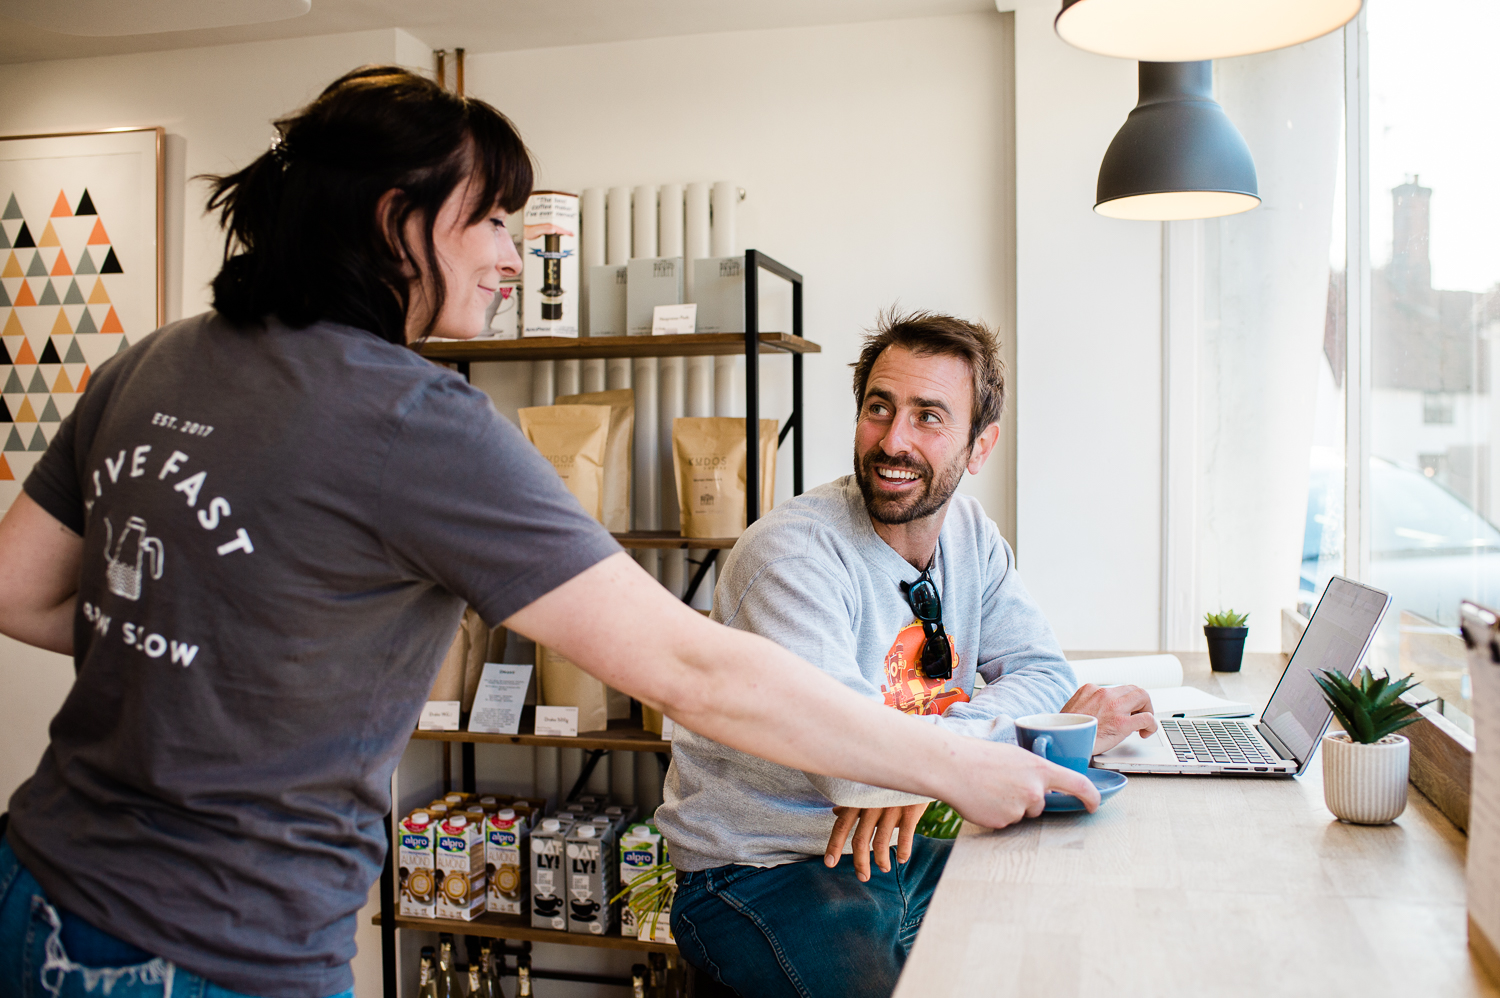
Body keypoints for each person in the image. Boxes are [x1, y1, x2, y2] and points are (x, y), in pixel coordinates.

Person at [0, 69, 1097, 998]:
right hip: (211, 946)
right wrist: (956, 761)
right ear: (396, 221)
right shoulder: (413, 420)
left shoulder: (154, 358)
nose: (514, 258)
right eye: (492, 220)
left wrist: (215, 655)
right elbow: (688, 665)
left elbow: (25, 592)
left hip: (31, 878)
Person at [656, 310, 1158, 998]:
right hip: (759, 873)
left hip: (889, 853)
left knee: (1059, 934)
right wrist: (1037, 741)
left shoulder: (971, 536)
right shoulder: (792, 558)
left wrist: (921, 764)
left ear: (980, 447)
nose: (893, 441)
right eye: (879, 409)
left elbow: (1043, 672)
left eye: (928, 417)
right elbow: (855, 764)